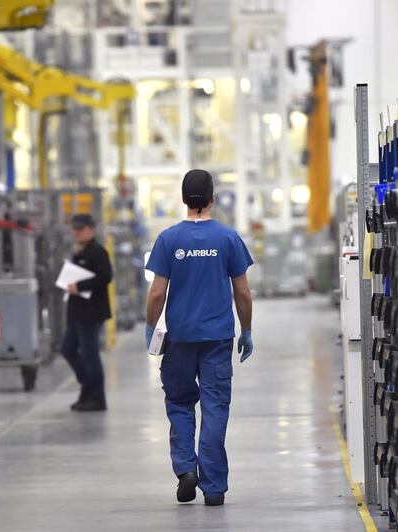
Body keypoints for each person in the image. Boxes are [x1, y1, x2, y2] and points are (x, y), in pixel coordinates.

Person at [144, 169, 254, 506]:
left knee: (179, 402)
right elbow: (243, 292)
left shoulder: (168, 239)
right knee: (215, 406)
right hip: (217, 338)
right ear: (212, 199)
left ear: (182, 199)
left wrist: (151, 327)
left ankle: (185, 468)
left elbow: (156, 292)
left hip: (179, 338)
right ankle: (214, 487)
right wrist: (246, 330)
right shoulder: (228, 238)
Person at [62, 214, 113, 412]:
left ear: (91, 229)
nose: (77, 232)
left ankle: (98, 397)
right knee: (68, 349)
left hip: (91, 313)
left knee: (90, 355)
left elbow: (105, 277)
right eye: (74, 228)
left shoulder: (98, 252)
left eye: (80, 228)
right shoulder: (79, 253)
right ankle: (87, 387)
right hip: (76, 312)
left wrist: (80, 286)